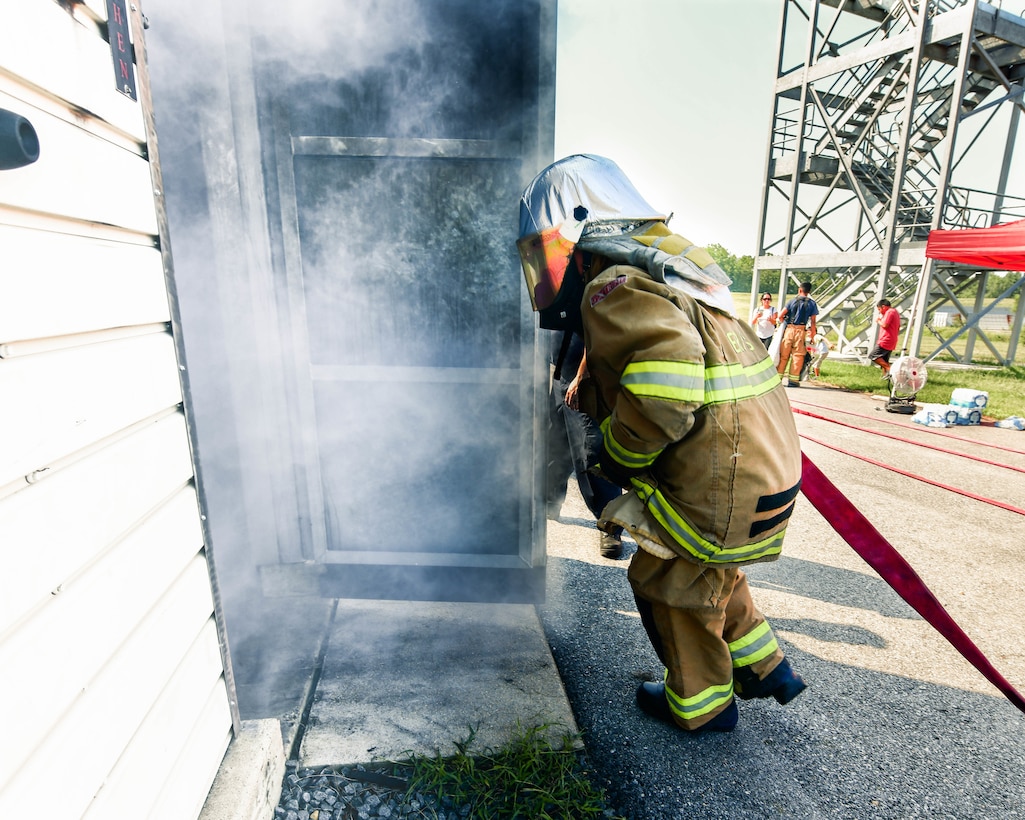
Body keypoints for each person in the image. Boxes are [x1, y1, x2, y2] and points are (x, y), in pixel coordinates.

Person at [517, 154, 806, 734]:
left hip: (717, 481)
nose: (547, 271)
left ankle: (700, 706)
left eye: (548, 252)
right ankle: (763, 667)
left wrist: (620, 454)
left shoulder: (612, 284)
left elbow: (665, 385)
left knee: (667, 581)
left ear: (578, 231)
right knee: (714, 572)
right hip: (758, 471)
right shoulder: (672, 268)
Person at [546, 330, 626, 559]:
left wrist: (583, 375)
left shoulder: (591, 292)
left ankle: (611, 525)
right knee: (555, 439)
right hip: (559, 369)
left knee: (589, 449)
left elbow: (600, 333)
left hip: (587, 375)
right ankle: (549, 502)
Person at [776, 281, 819, 387]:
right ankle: (793, 381)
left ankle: (777, 379)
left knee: (784, 355)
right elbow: (813, 322)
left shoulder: (792, 301)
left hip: (789, 330)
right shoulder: (812, 304)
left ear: (800, 290)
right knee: (798, 356)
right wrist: (812, 336)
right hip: (801, 331)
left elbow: (780, 316)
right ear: (809, 291)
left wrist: (783, 323)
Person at [872, 298, 900, 380]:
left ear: (884, 306)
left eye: (879, 309)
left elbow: (885, 325)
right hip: (892, 339)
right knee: (884, 359)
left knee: (874, 356)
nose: (880, 311)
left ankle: (891, 370)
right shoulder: (895, 312)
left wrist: (878, 321)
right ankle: (886, 377)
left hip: (886, 340)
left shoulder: (889, 312)